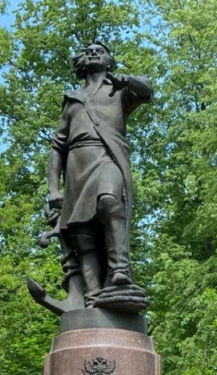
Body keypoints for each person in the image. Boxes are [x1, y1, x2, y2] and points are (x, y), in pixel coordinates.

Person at [47, 41, 153, 306]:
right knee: (83, 234)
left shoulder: (120, 92)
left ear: (109, 61)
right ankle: (93, 297)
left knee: (109, 201)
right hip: (77, 167)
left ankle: (120, 270)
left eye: (101, 50)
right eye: (89, 50)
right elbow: (58, 146)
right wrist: (53, 189)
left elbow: (147, 90)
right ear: (81, 62)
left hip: (108, 158)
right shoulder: (72, 100)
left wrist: (125, 80)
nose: (94, 52)